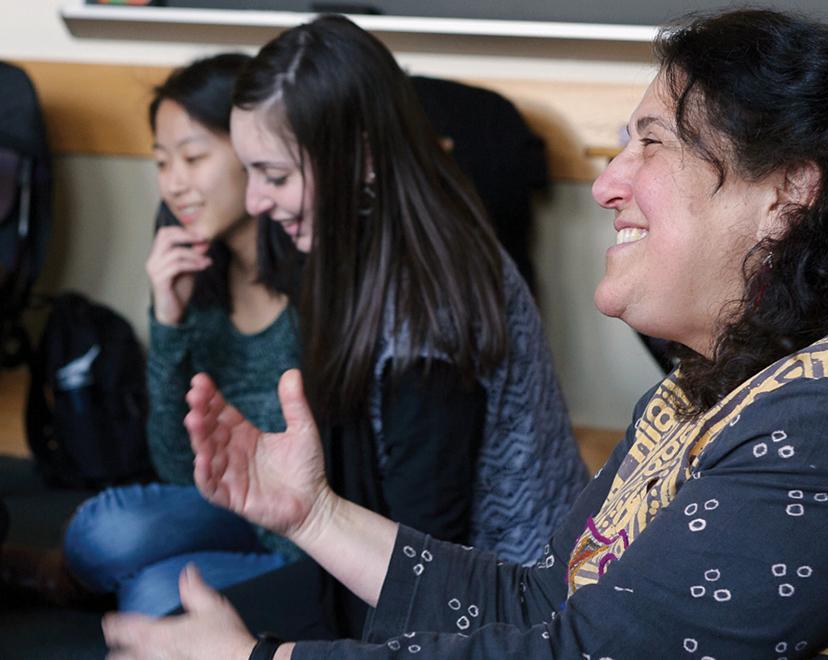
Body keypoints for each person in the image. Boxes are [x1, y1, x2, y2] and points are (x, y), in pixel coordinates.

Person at [103, 9, 828, 659]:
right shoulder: (706, 390)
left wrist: (253, 657)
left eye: (650, 143)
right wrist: (313, 516)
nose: (604, 181)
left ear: (786, 193)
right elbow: (556, 606)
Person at [217, 13, 585, 638]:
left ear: (362, 157)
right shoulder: (348, 240)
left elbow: (427, 565)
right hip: (393, 559)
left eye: (274, 176)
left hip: (499, 610)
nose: (254, 201)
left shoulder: (432, 306)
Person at [52, 53, 305, 617]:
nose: (175, 184)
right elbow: (173, 467)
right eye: (162, 162)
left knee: (151, 595)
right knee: (100, 530)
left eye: (193, 157)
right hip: (229, 505)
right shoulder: (194, 269)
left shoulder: (314, 274)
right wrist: (167, 321)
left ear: (254, 148)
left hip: (304, 537)